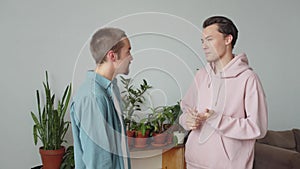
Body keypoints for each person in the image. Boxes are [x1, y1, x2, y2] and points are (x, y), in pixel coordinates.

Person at [179, 16, 268, 169]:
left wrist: (218, 120)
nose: (204, 46)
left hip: (228, 165)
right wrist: (187, 120)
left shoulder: (248, 78)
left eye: (210, 39)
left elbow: (257, 127)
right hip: (194, 162)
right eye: (202, 41)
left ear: (228, 39)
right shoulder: (201, 75)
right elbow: (185, 110)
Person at [70, 27, 133, 169]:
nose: (131, 57)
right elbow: (98, 160)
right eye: (128, 51)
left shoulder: (111, 89)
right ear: (112, 56)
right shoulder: (94, 97)